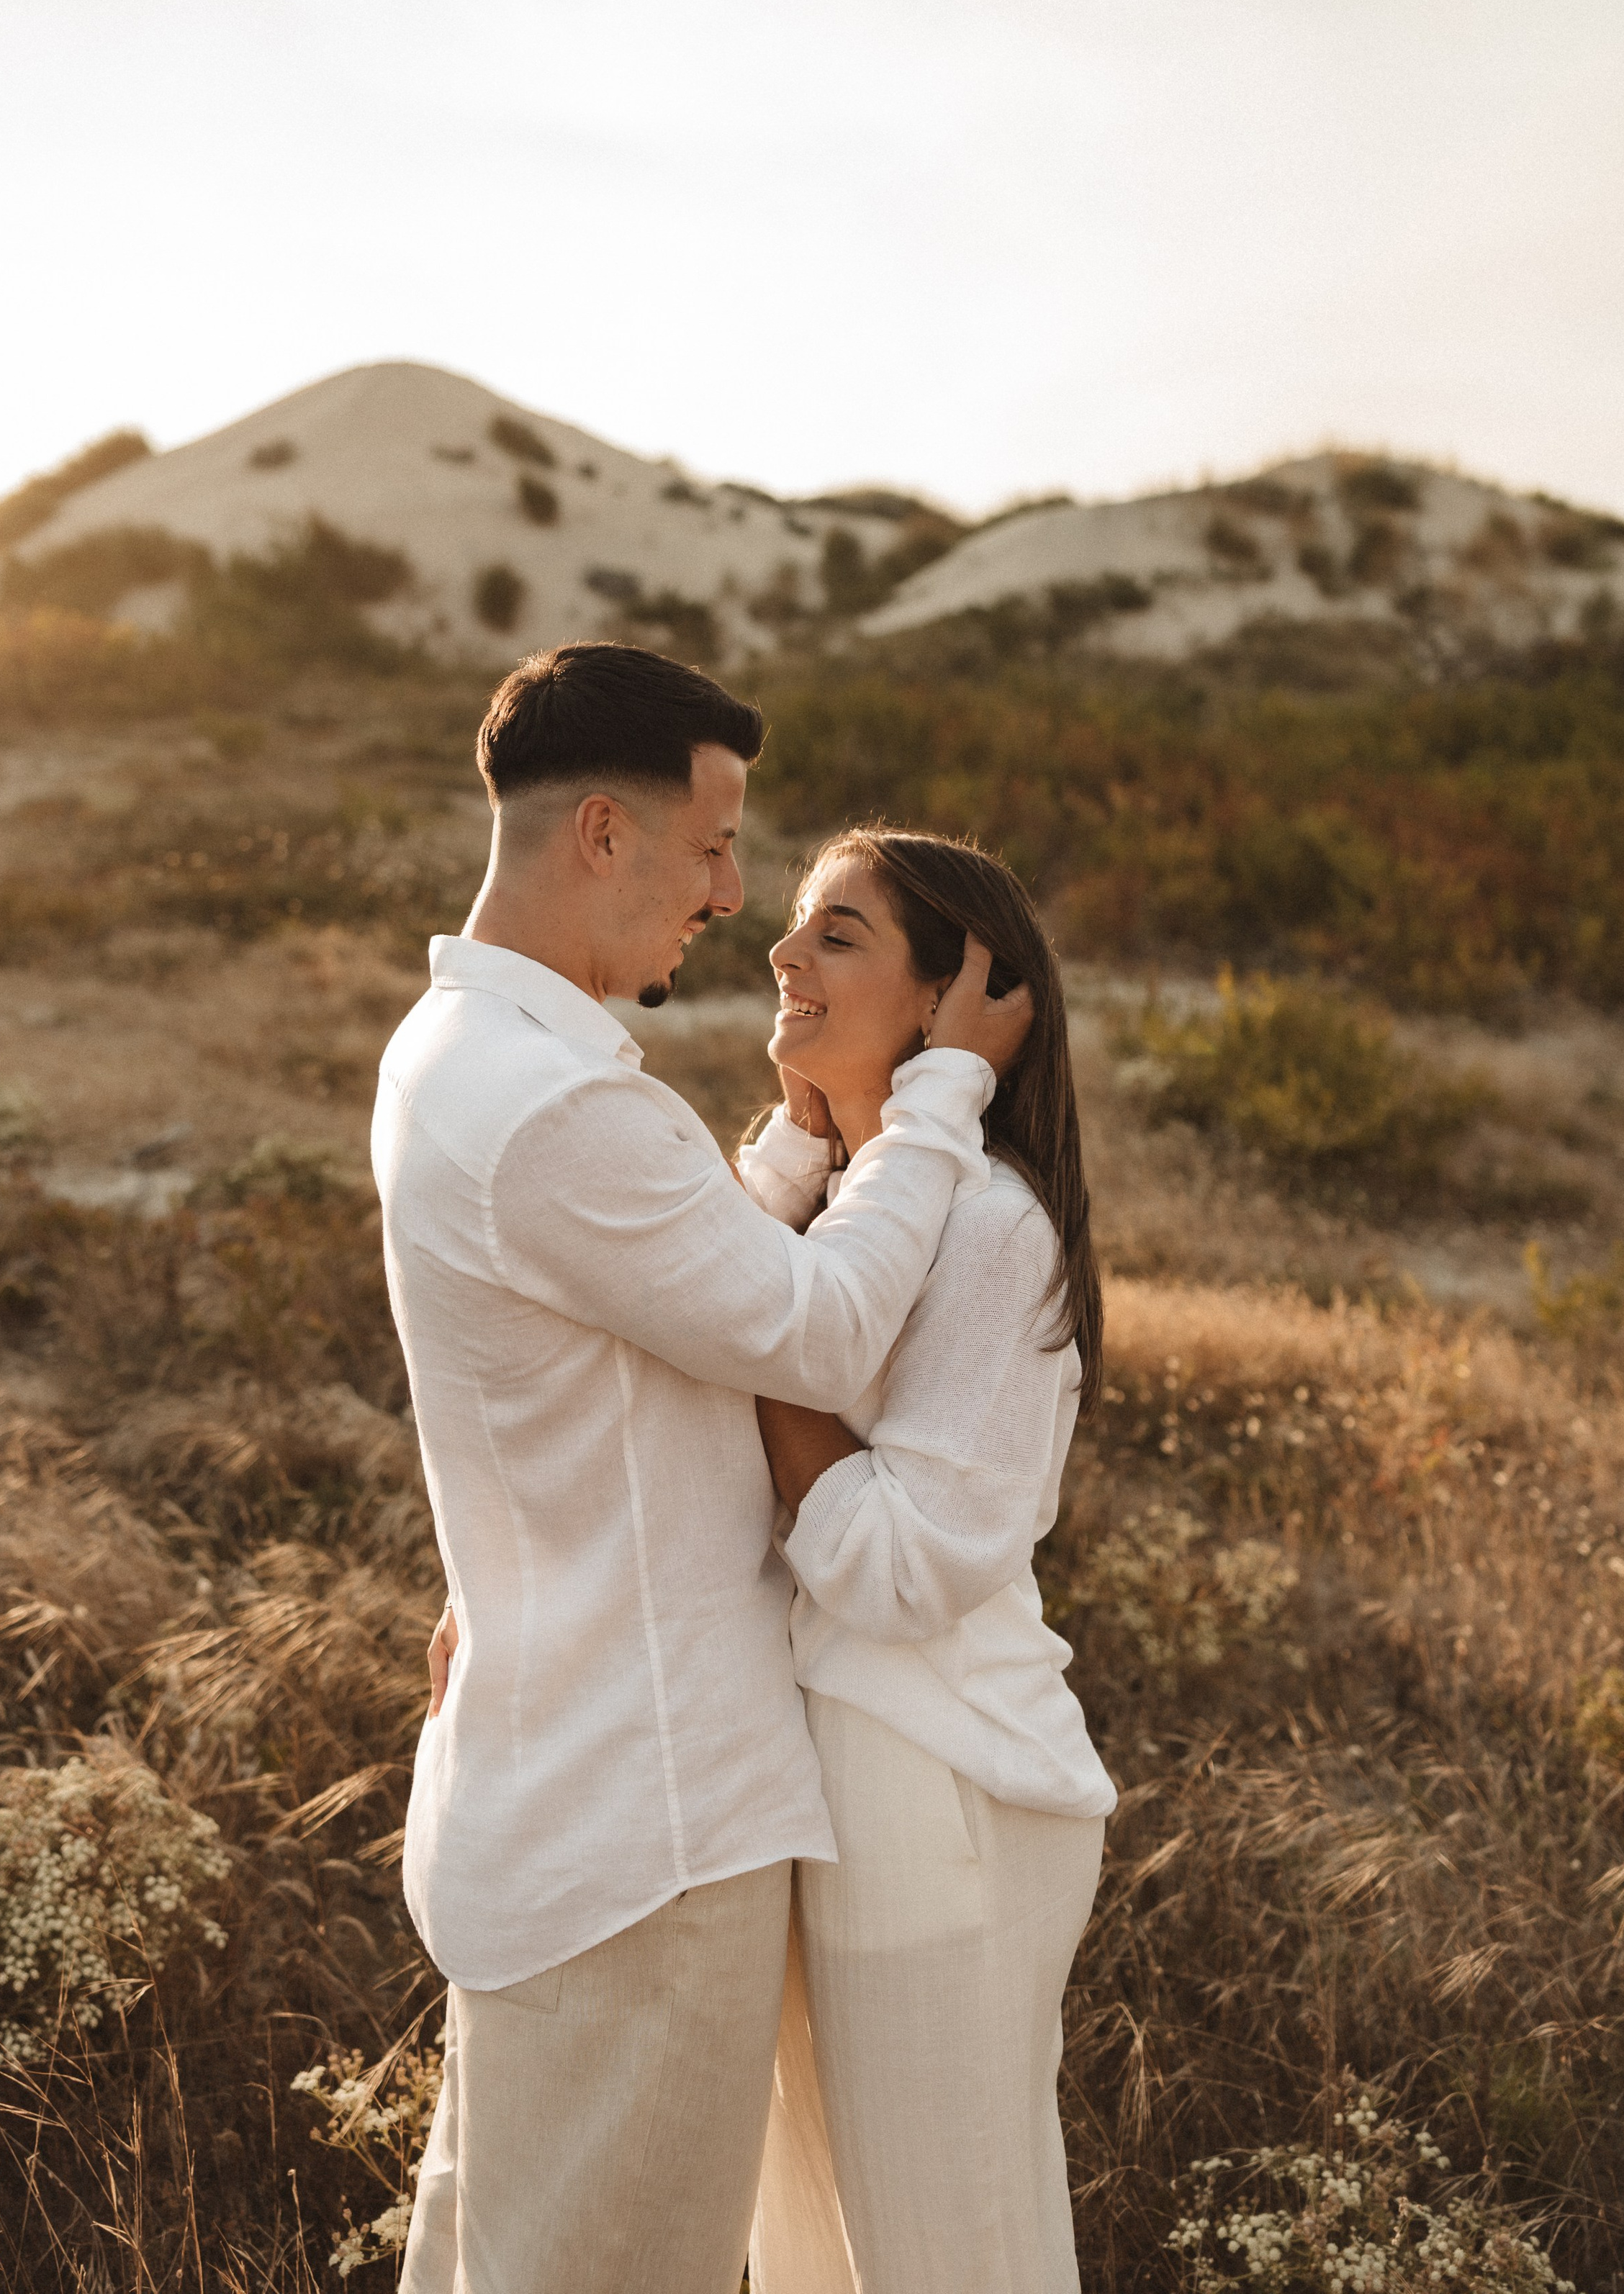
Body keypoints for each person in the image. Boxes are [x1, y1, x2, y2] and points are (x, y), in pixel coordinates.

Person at [376, 643, 1030, 2294]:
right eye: (714, 844)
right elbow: (807, 1336)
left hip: (558, 1789)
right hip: (645, 1830)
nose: (733, 895)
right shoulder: (557, 1109)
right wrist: (939, 1095)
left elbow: (632, 1303)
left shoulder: (456, 1056)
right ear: (604, 831)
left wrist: (806, 1141)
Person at [741, 828, 1116, 2294]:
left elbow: (901, 1566)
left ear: (957, 998)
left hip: (932, 1772)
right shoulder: (846, 1204)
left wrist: (765, 1361)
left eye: (837, 935)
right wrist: (793, 1147)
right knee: (818, 2248)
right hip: (822, 1767)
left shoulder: (989, 1226)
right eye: (790, 925)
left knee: (939, 2253)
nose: (781, 957)